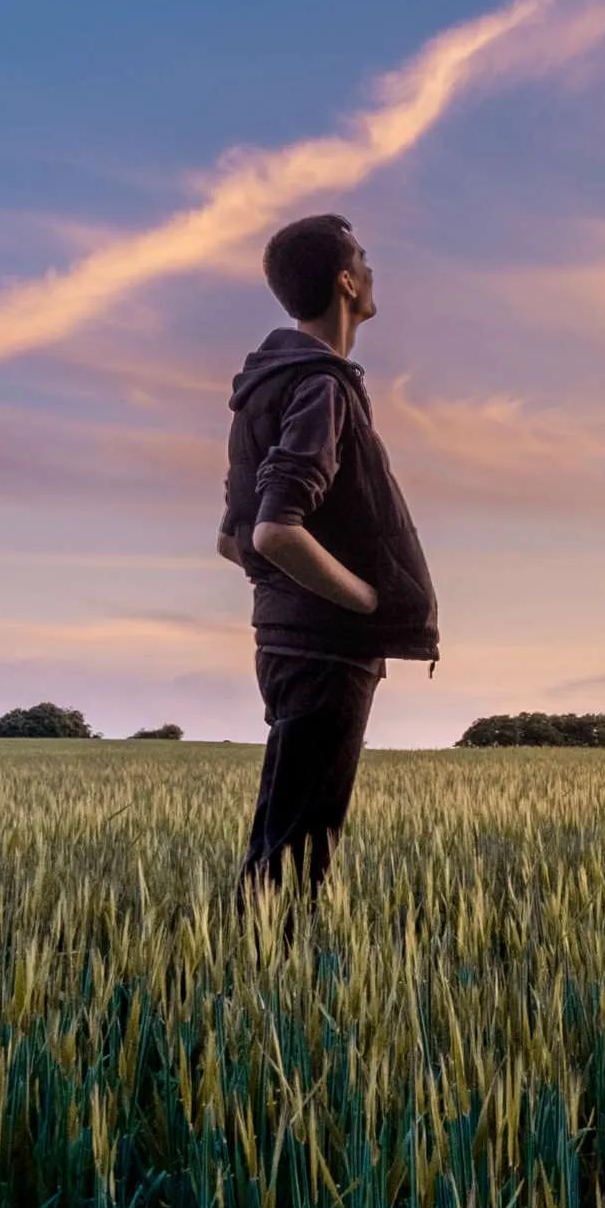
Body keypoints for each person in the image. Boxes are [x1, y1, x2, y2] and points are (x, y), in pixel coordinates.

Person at [218, 214, 439, 893]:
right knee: (299, 856)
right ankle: (266, 958)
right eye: (363, 260)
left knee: (280, 842)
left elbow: (231, 538)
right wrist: (365, 601)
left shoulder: (264, 387)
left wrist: (289, 596)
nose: (372, 271)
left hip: (285, 642)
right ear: (346, 282)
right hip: (326, 649)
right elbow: (272, 532)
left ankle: (248, 952)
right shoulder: (320, 385)